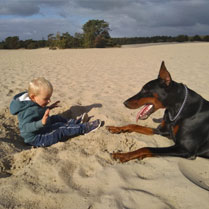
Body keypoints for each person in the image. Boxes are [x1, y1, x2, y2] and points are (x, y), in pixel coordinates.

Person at [10, 77, 101, 147]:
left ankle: (75, 123)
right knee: (60, 129)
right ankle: (83, 128)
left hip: (41, 128)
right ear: (33, 97)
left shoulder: (33, 100)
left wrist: (49, 107)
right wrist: (41, 123)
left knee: (56, 118)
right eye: (46, 99)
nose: (49, 100)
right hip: (36, 138)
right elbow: (26, 128)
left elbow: (37, 109)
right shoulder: (27, 111)